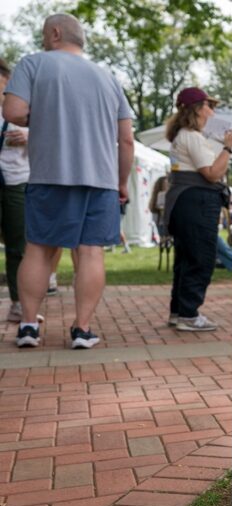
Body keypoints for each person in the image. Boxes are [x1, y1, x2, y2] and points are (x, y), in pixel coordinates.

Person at [3, 13, 134, 349]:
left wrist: (44, 114)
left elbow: (13, 111)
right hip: (101, 179)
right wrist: (121, 183)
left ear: (56, 33)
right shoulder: (108, 78)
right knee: (91, 252)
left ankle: (29, 326)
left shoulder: (34, 64)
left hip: (51, 174)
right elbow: (126, 140)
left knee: (39, 249)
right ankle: (82, 329)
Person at [163, 86, 232, 331]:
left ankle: (179, 311)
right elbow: (212, 174)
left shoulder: (183, 136)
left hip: (184, 201)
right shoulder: (192, 137)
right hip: (197, 202)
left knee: (185, 258)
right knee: (200, 258)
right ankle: (189, 315)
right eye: (208, 106)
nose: (211, 111)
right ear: (197, 109)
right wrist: (227, 148)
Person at [0, 58, 32, 324]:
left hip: (15, 183)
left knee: (17, 246)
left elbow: (49, 137)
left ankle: (19, 303)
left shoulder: (23, 109)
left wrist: (29, 136)